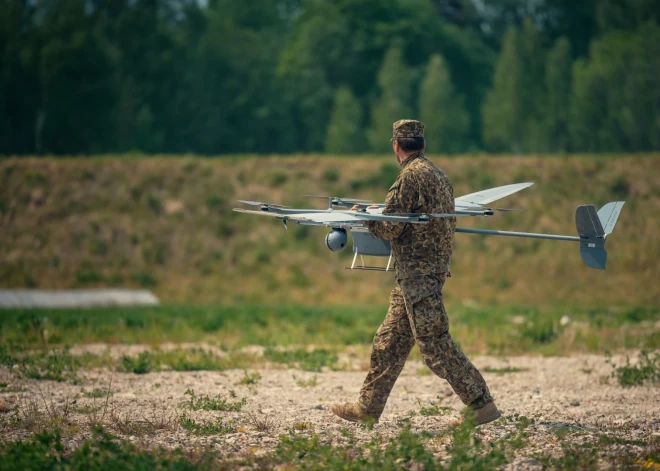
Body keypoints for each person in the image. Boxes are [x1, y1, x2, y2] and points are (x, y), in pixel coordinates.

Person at [331, 119, 500, 426]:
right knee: (388, 341)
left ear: (396, 145)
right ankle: (367, 408)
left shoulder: (408, 178)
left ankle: (480, 403)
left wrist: (360, 218)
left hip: (418, 274)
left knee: (434, 342)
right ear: (421, 144)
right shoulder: (438, 174)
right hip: (423, 272)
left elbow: (391, 227)